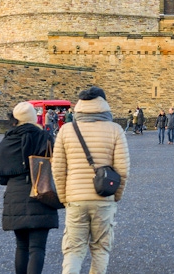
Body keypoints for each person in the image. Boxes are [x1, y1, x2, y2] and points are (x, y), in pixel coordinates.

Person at [52, 86, 130, 274]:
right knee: (100, 249)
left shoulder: (66, 130)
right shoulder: (115, 130)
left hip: (75, 199)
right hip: (104, 198)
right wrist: (115, 195)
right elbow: (123, 169)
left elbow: (58, 168)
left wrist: (65, 197)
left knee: (73, 250)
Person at [0, 102, 58, 274]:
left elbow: (1, 178)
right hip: (41, 194)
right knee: (37, 248)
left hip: (15, 197)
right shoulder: (44, 137)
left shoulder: (7, 141)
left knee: (21, 246)